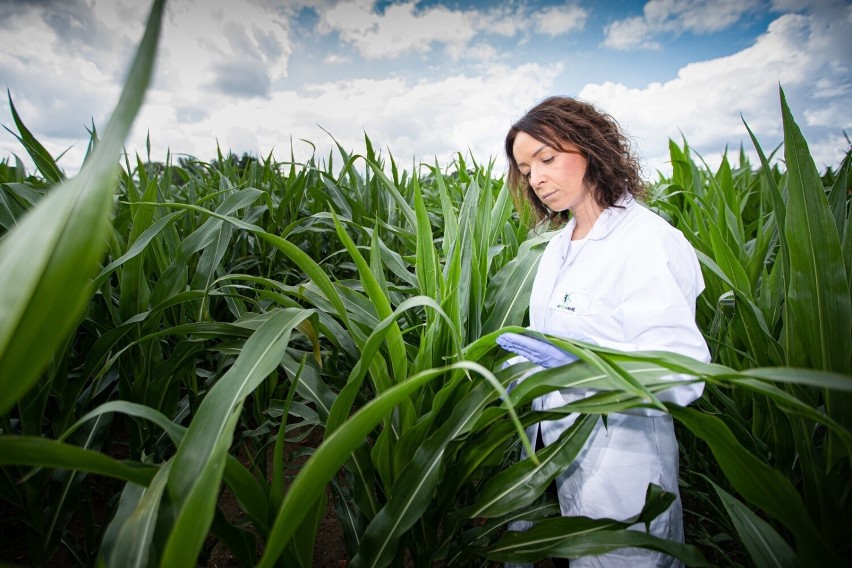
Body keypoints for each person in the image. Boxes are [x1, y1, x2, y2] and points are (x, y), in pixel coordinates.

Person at [498, 96, 711, 567]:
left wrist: (581, 369)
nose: (536, 179)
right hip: (564, 455)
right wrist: (517, 364)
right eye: (525, 168)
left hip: (626, 469)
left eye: (547, 159)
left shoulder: (647, 242)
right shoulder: (555, 249)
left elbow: (682, 375)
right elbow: (548, 337)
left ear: (592, 149)